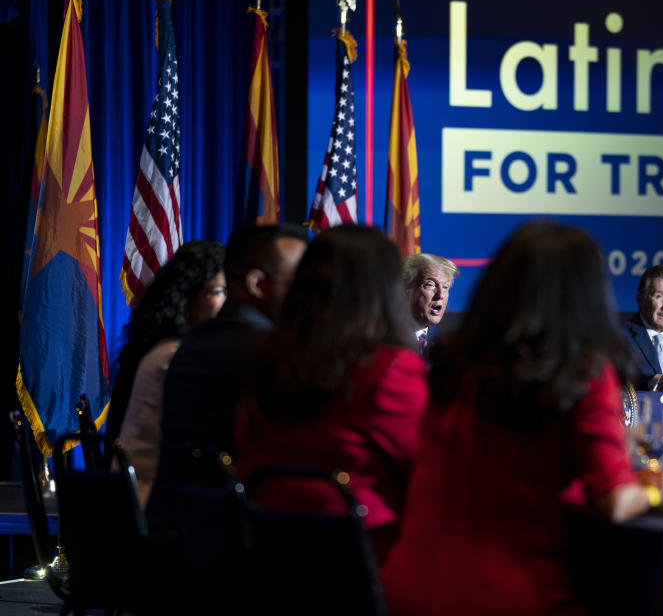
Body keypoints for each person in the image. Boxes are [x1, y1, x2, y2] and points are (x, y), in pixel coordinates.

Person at [382, 221, 663, 616]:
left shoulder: (453, 361)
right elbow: (612, 500)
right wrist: (659, 488)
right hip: (513, 593)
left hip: (408, 586)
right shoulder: (579, 371)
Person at [234, 225, 427, 561]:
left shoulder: (264, 358)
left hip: (269, 560)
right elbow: (429, 469)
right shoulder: (391, 370)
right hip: (363, 563)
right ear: (387, 290)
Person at [147, 223, 308, 527]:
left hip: (176, 532)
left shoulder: (193, 342)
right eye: (301, 282)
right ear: (258, 284)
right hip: (232, 543)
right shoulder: (270, 352)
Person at [107, 240, 226, 507]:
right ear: (186, 298)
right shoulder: (175, 357)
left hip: (145, 499)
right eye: (219, 291)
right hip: (146, 508)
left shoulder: (163, 347)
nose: (228, 304)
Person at [401, 253, 459, 357]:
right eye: (430, 285)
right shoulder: (380, 337)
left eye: (446, 287)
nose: (440, 295)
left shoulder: (452, 339)